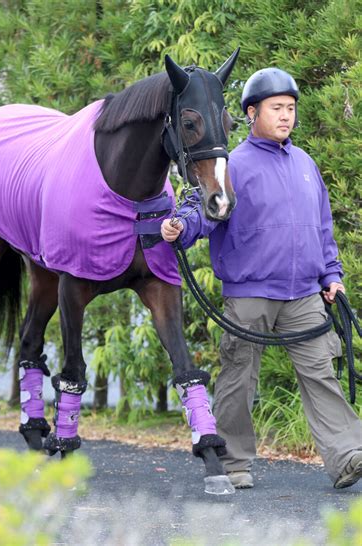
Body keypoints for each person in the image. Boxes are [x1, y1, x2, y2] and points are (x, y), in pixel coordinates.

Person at [161, 67, 362, 489]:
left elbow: (322, 228)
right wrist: (183, 227)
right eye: (277, 108)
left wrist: (332, 275)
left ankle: (348, 456)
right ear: (252, 113)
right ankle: (234, 464)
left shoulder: (306, 164)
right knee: (238, 378)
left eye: (290, 108)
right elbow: (205, 209)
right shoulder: (234, 162)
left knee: (321, 373)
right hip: (250, 293)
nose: (286, 116)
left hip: (305, 295)